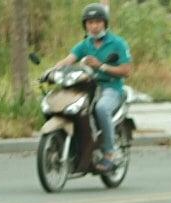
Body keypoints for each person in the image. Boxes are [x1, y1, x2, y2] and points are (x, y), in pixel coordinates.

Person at [47, 4, 133, 168]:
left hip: (111, 88)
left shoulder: (118, 43)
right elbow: (68, 60)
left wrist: (101, 66)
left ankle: (110, 152)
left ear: (105, 23)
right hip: (87, 87)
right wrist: (52, 71)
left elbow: (126, 70)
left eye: (98, 22)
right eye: (90, 23)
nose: (94, 26)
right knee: (70, 107)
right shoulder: (85, 45)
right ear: (85, 25)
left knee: (101, 109)